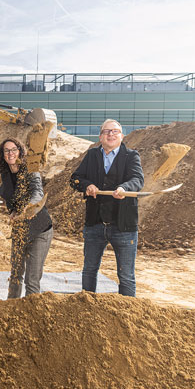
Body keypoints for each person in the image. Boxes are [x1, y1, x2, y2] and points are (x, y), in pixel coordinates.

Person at [70, 119, 144, 296]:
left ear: (122, 136)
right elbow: (75, 178)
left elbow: (137, 180)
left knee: (126, 276)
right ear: (100, 136)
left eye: (115, 131)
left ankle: (126, 313)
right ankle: (87, 307)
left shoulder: (131, 156)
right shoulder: (92, 155)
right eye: (107, 131)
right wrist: (87, 185)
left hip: (123, 225)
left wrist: (124, 188)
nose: (111, 134)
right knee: (89, 270)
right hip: (95, 224)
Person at [0, 138, 53, 298]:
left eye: (14, 149)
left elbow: (37, 192)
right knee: (15, 276)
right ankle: (12, 309)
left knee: (32, 279)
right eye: (6, 150)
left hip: (40, 230)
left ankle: (30, 315)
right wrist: (13, 212)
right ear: (3, 154)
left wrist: (29, 208)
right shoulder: (5, 173)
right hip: (20, 229)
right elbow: (10, 198)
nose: (10, 153)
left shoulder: (30, 169)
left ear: (20, 151)